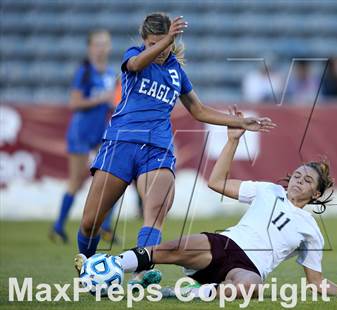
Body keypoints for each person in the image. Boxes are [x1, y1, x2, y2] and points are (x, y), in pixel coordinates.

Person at [73, 13, 275, 287]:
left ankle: (141, 275)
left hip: (157, 148)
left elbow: (199, 110)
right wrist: (166, 39)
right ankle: (88, 266)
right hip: (121, 143)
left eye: (166, 43)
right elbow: (134, 64)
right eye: (154, 43)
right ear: (144, 41)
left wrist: (240, 122)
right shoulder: (134, 56)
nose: (161, 48)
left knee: (155, 212)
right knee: (90, 222)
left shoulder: (176, 72)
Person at [112, 107, 337, 298]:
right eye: (297, 175)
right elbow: (216, 182)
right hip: (224, 244)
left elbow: (317, 283)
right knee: (172, 248)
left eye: (307, 181)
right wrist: (232, 141)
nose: (299, 181)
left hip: (248, 267)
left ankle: (190, 293)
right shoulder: (268, 190)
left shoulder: (310, 230)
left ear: (315, 194)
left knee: (251, 288)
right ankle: (110, 266)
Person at [49, 29, 117, 244]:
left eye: (104, 43)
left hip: (100, 131)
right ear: (90, 47)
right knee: (77, 181)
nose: (101, 48)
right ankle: (58, 226)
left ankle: (105, 226)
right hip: (81, 132)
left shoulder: (110, 73)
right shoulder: (84, 72)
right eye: (97, 44)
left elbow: (112, 102)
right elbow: (75, 103)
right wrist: (103, 98)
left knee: (113, 176)